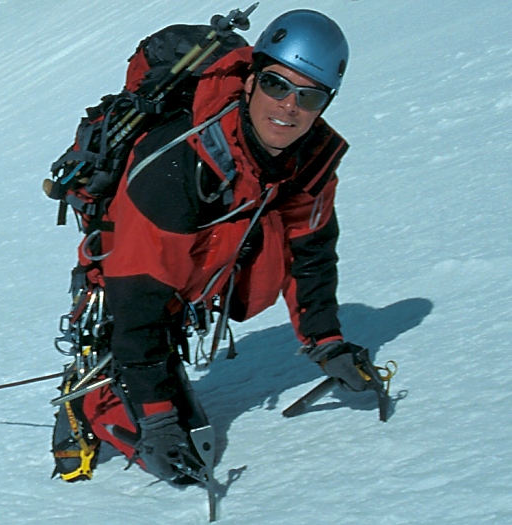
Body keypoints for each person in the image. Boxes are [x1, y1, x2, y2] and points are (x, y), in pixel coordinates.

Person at [52, 9, 374, 484]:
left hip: (198, 272)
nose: (289, 106)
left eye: (309, 96)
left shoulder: (309, 159)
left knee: (178, 421)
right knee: (175, 454)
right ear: (249, 80)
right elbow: (137, 306)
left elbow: (312, 253)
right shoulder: (176, 162)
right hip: (127, 281)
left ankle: (144, 389)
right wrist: (158, 419)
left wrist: (326, 340)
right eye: (277, 85)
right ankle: (84, 399)